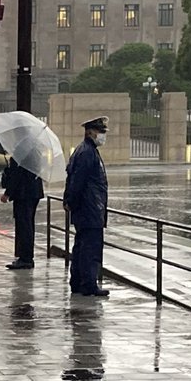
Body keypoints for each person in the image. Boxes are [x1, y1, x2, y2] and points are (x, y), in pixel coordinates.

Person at [63, 115, 110, 298]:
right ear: (90, 131)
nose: (102, 135)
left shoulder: (85, 150)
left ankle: (79, 283)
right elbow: (78, 181)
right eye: (100, 131)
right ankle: (88, 285)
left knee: (81, 247)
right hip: (90, 208)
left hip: (87, 208)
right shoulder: (87, 152)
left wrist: (69, 201)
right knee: (89, 249)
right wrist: (71, 201)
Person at [1, 158, 45, 270]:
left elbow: (17, 175)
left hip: (23, 193)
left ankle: (26, 258)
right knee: (28, 224)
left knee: (24, 225)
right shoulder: (34, 150)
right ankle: (25, 256)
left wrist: (7, 193)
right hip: (33, 192)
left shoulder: (21, 153)